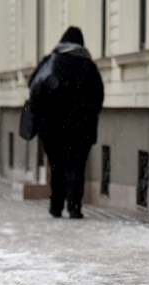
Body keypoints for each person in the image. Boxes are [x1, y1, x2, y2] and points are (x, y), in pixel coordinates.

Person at [29, 27, 104, 219]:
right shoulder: (88, 66)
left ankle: (56, 206)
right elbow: (98, 97)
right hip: (81, 129)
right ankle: (74, 207)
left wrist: (44, 116)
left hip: (52, 128)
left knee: (56, 167)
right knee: (77, 168)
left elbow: (34, 87)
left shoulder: (51, 62)